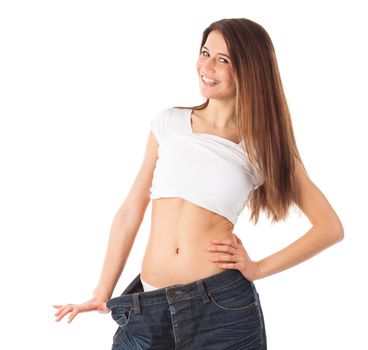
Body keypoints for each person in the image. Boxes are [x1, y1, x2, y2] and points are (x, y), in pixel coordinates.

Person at [53, 17, 344, 349]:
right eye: (205, 53)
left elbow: (330, 227)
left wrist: (258, 267)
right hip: (148, 309)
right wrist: (102, 292)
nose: (207, 66)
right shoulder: (169, 123)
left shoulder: (263, 147)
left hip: (222, 310)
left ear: (250, 69)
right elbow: (131, 209)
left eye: (223, 60)